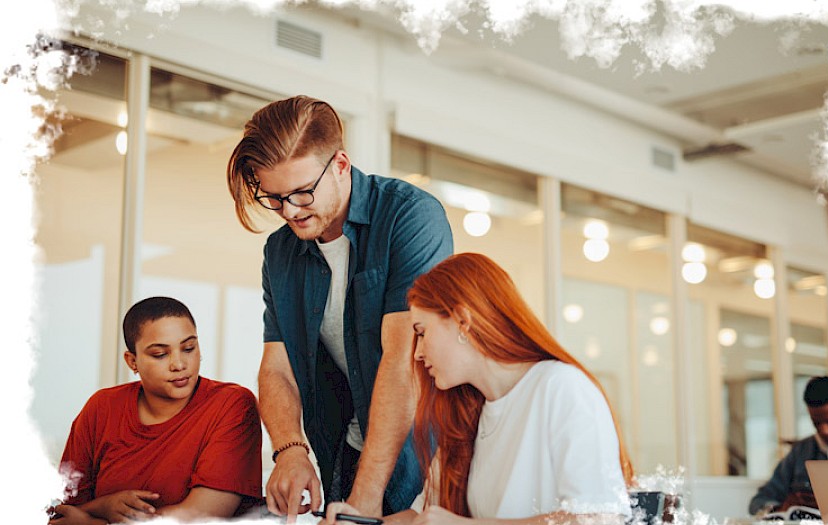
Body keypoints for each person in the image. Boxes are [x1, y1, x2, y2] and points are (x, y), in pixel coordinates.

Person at [226, 95, 453, 521]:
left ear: (342, 165)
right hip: (346, 453)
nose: (289, 212)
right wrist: (289, 450)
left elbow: (402, 361)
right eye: (274, 198)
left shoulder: (411, 218)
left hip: (424, 460)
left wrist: (365, 500)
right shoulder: (279, 251)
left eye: (302, 192)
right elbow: (277, 366)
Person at [322, 253, 634, 525]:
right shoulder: (468, 414)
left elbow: (599, 518)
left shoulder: (560, 388)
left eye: (422, 332)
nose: (416, 353)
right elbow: (423, 517)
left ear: (462, 322)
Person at [49, 296, 263, 524]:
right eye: (160, 354)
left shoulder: (232, 405)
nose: (179, 364)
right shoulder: (101, 408)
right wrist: (105, 505)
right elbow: (64, 513)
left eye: (189, 348)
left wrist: (98, 521)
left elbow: (200, 516)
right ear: (132, 361)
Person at [748, 375, 828, 516]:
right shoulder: (800, 452)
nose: (824, 431)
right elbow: (758, 502)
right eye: (816, 423)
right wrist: (781, 508)